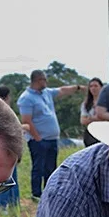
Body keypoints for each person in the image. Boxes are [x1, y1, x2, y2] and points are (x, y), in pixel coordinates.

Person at [17, 70, 84, 199]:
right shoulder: (26, 98)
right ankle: (36, 193)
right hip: (39, 140)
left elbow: (62, 90)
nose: (46, 82)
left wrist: (77, 88)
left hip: (52, 139)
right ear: (37, 80)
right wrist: (37, 138)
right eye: (44, 80)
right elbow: (26, 120)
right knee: (39, 167)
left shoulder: (46, 92)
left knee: (51, 168)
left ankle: (49, 191)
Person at [0, 86, 20, 209]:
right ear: (7, 96)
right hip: (7, 150)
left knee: (6, 178)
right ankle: (4, 205)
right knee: (8, 179)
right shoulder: (5, 112)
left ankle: (12, 204)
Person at [80, 78, 104, 147]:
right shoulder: (86, 104)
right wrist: (97, 118)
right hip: (90, 133)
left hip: (103, 132)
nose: (93, 88)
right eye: (91, 86)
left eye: (96, 86)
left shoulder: (106, 103)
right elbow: (83, 120)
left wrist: (90, 118)